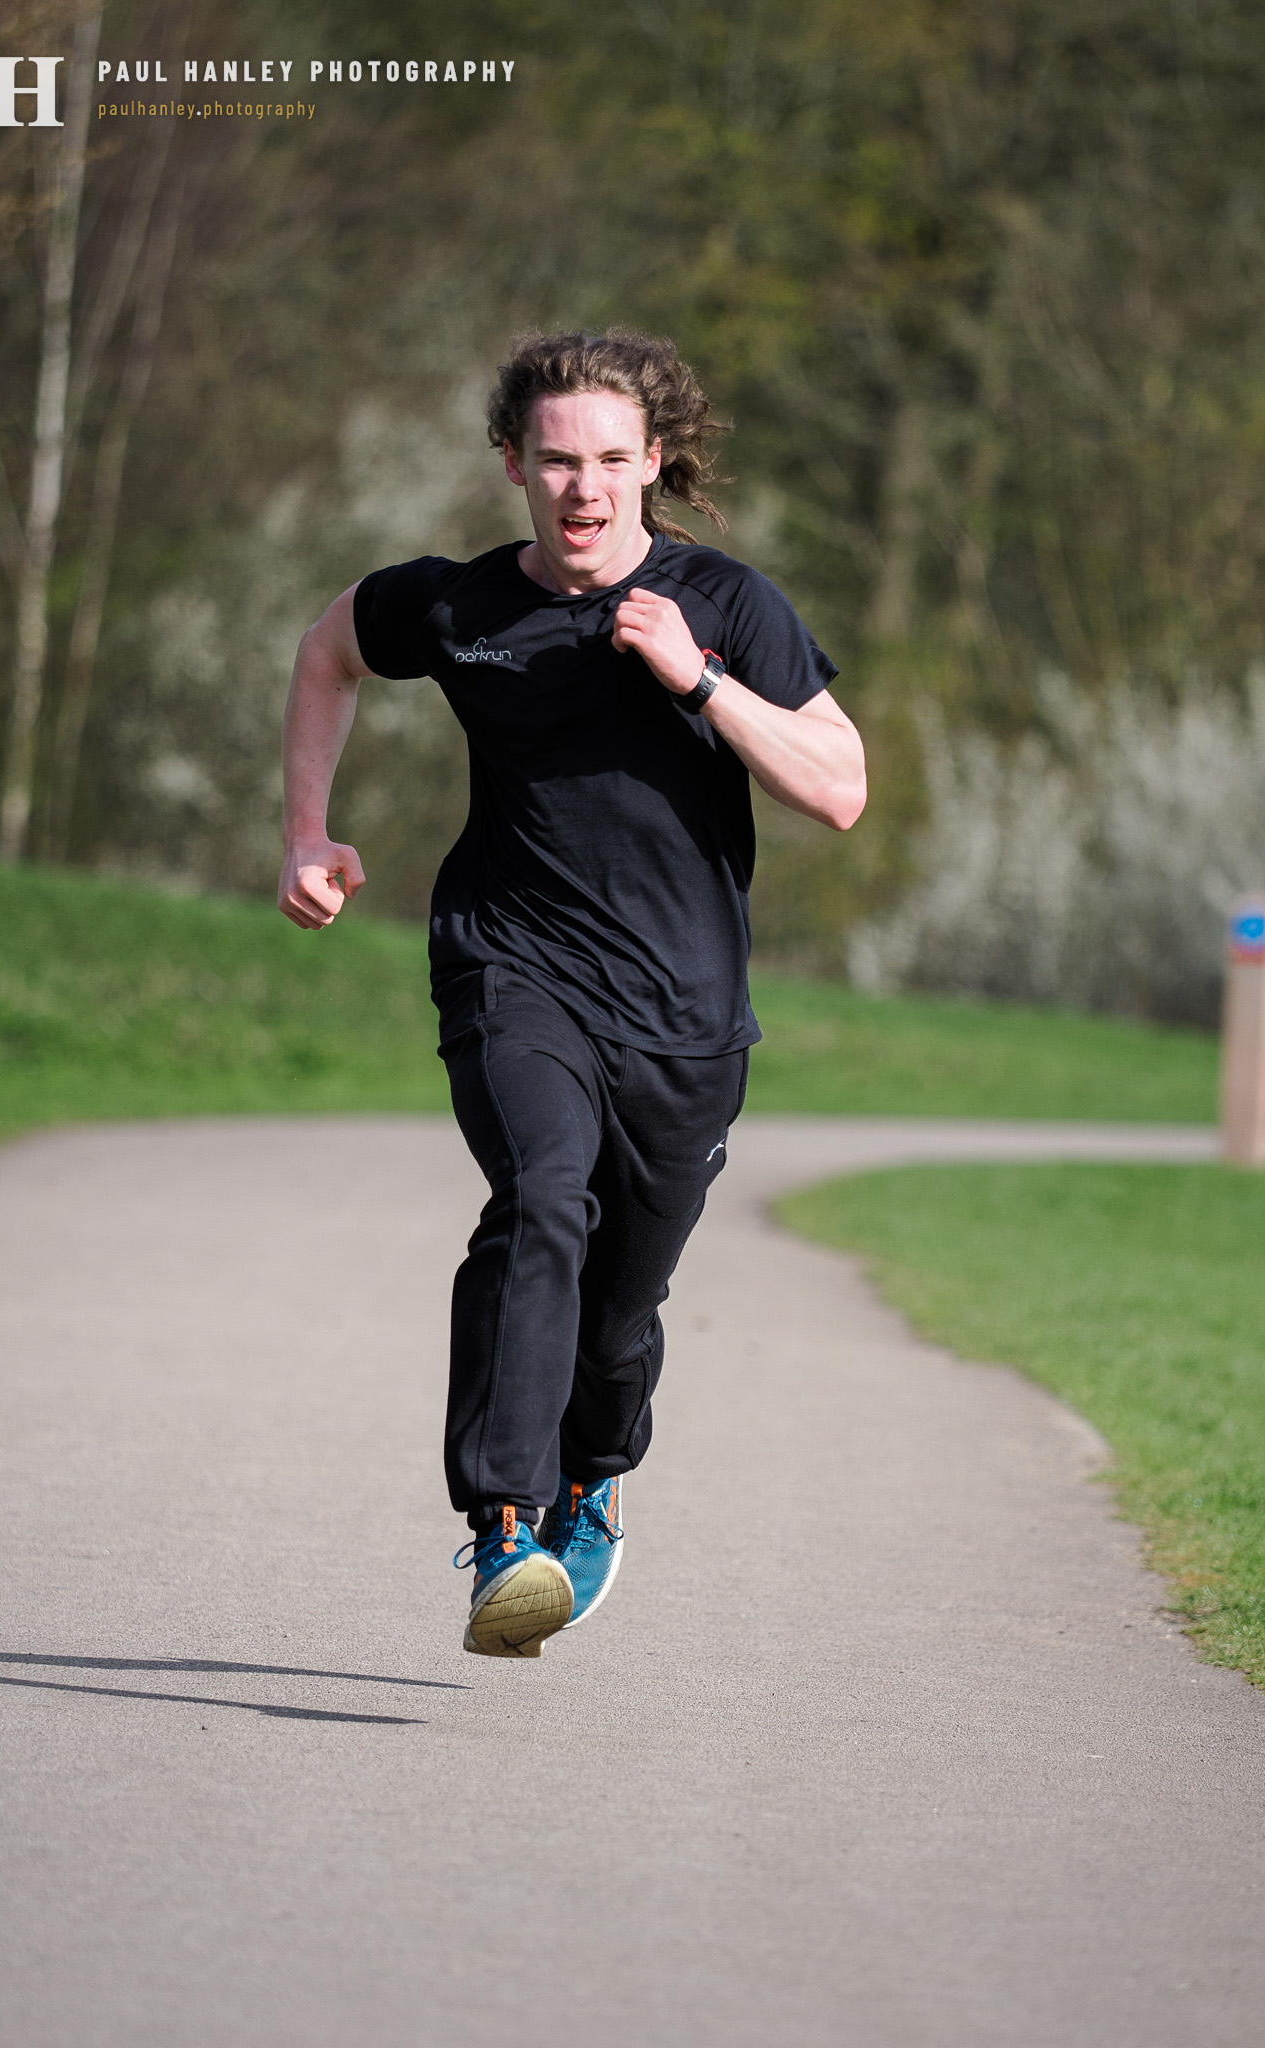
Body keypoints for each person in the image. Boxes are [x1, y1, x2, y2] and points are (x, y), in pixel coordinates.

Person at [278, 329, 866, 1658]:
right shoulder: (460, 608)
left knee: (619, 1319)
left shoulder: (724, 605)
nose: (585, 488)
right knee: (541, 1194)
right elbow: (328, 651)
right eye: (557, 461)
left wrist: (700, 682)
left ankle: (595, 1477)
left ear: (652, 462)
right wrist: (305, 834)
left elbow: (839, 787)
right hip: (513, 963)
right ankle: (504, 1524)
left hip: (687, 1017)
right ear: (513, 466)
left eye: (611, 459)